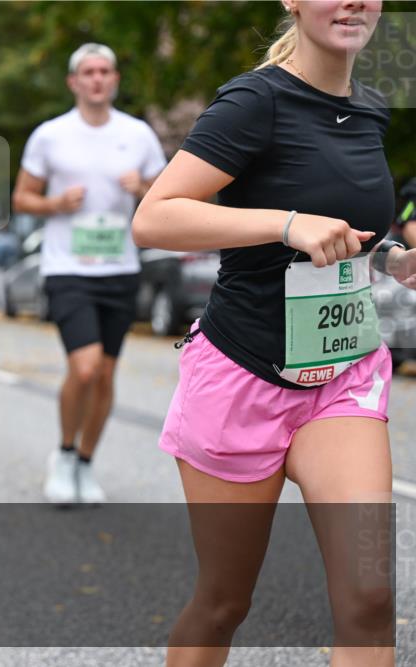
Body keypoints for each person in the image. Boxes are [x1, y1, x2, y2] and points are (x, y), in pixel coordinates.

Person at [133, 1, 415, 664]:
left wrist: (396, 258)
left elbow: (358, 226)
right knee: (225, 601)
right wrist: (286, 223)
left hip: (340, 378)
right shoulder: (255, 101)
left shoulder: (371, 108)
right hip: (243, 378)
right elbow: (156, 218)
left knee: (370, 596)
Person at [11, 42, 166, 504]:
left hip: (119, 268)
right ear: (73, 82)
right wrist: (55, 203)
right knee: (85, 367)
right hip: (67, 268)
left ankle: (84, 462)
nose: (97, 79)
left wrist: (141, 187)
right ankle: (61, 455)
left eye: (105, 71)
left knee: (105, 376)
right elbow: (22, 198)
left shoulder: (137, 134)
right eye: (89, 72)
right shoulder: (50, 135)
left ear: (115, 79)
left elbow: (164, 191)